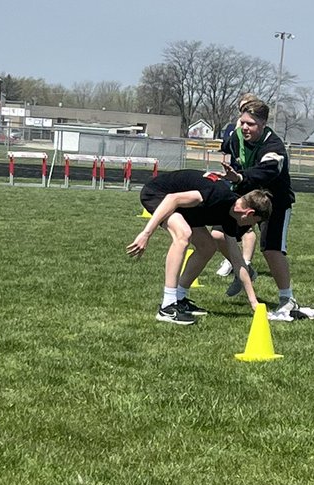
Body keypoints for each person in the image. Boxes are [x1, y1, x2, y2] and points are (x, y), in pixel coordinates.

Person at [127, 169, 272, 325]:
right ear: (249, 213)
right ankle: (167, 306)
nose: (252, 227)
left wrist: (254, 302)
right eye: (254, 222)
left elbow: (237, 260)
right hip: (159, 194)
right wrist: (146, 233)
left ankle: (180, 298)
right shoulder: (218, 195)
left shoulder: (231, 216)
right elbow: (172, 198)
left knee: (208, 246)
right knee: (183, 235)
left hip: (188, 208)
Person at [221, 97, 297, 321]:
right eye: (243, 122)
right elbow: (228, 151)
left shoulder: (274, 146)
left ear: (263, 124)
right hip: (247, 197)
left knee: (271, 249)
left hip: (275, 202)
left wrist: (242, 176)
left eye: (251, 124)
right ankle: (244, 270)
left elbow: (268, 170)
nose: (245, 127)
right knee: (217, 234)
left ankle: (287, 298)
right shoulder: (236, 138)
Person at [216, 93, 261, 281]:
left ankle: (246, 263)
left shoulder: (258, 131)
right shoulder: (234, 129)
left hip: (248, 180)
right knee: (224, 224)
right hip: (233, 178)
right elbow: (225, 148)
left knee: (246, 224)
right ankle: (233, 260)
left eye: (247, 108)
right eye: (241, 109)